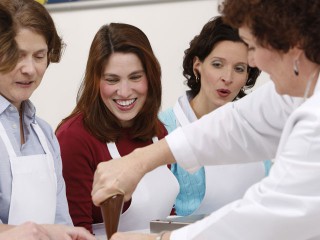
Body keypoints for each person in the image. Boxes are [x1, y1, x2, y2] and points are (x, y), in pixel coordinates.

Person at [91, 0, 320, 239]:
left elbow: (268, 215)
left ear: (292, 43)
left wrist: (163, 239)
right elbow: (240, 123)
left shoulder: (315, 122)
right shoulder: (303, 88)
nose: (253, 63)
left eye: (252, 47)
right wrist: (141, 160)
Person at [56, 22, 179, 234]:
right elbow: (76, 234)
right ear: (96, 81)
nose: (124, 92)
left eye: (135, 77)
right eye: (112, 80)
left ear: (151, 78)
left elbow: (167, 216)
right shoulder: (74, 138)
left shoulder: (157, 130)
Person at [0, 0, 94, 239]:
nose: (29, 69)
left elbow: (62, 221)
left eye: (39, 56)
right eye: (18, 56)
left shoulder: (44, 133)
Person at [159, 16, 270, 216]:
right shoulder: (164, 128)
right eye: (217, 64)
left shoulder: (256, 125)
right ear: (197, 65)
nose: (227, 78)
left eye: (239, 68)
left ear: (247, 75)